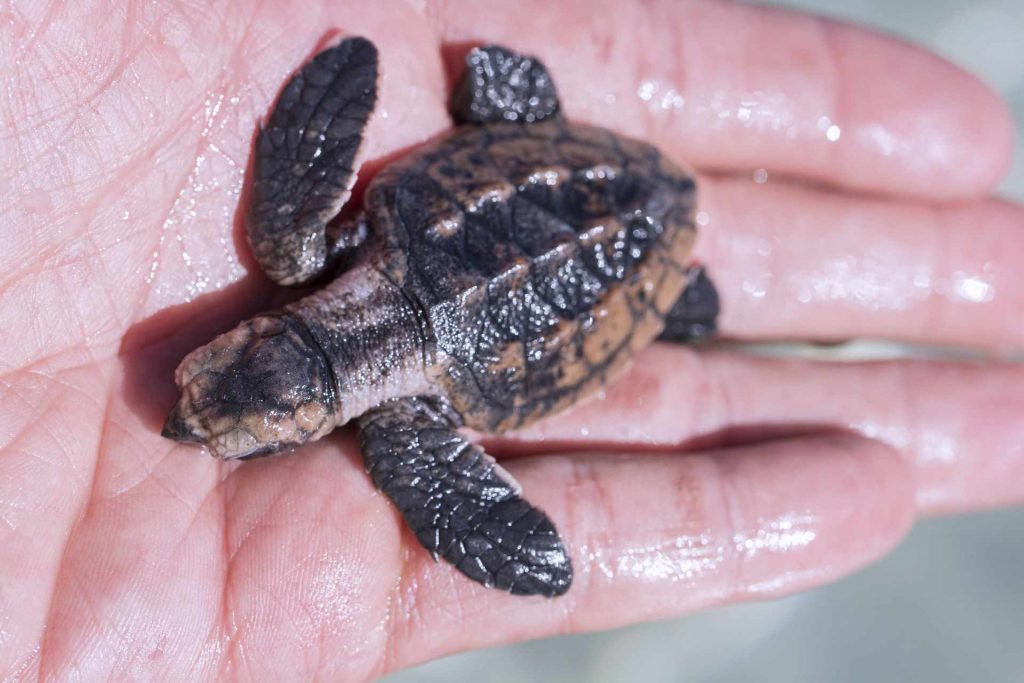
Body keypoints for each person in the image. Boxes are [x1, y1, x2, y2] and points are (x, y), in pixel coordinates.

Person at [1, 1, 1020, 680]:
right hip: (525, 188)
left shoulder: (401, 418)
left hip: (569, 207)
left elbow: (339, 79)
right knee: (489, 89)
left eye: (216, 389)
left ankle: (650, 274)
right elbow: (341, 79)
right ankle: (572, 182)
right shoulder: (314, 258)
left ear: (273, 321)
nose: (188, 411)